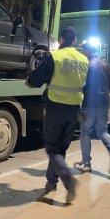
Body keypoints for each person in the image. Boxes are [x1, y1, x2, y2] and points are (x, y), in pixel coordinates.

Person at [26, 26, 89, 204]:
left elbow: (35, 80)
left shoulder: (54, 56)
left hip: (55, 109)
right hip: (73, 110)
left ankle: (68, 180)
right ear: (75, 40)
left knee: (52, 148)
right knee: (60, 149)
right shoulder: (84, 60)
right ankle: (51, 183)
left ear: (61, 39)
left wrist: (29, 80)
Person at [73, 42, 110, 175]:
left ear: (87, 52)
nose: (82, 53)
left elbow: (81, 85)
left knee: (85, 132)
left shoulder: (86, 65)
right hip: (104, 103)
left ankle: (86, 162)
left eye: (83, 51)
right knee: (102, 131)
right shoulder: (106, 65)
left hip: (90, 104)